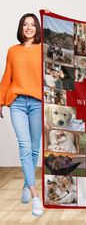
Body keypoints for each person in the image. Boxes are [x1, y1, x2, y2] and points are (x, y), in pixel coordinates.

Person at [0, 13, 43, 216]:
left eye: (32, 25)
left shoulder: (44, 50)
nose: (29, 28)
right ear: (21, 27)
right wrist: (0, 101)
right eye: (25, 24)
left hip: (37, 103)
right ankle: (35, 195)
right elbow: (7, 76)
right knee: (25, 146)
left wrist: (50, 17)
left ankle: (27, 184)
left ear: (37, 28)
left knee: (35, 149)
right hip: (17, 103)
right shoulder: (13, 51)